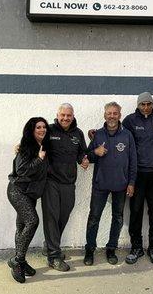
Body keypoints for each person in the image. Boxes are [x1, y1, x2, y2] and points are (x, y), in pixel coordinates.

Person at [83, 102, 137, 265]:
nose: (112, 116)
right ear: (104, 115)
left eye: (115, 113)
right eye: (109, 113)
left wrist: (131, 182)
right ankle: (89, 250)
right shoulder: (97, 135)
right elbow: (87, 157)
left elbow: (133, 161)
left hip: (121, 185)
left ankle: (111, 249)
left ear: (120, 115)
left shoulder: (127, 135)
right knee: (94, 217)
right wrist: (95, 152)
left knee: (118, 218)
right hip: (101, 184)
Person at [122, 92, 153, 265]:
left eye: (148, 104)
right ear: (138, 105)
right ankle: (136, 247)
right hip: (137, 174)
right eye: (142, 104)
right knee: (135, 211)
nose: (145, 107)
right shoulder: (129, 120)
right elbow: (117, 134)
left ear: (152, 104)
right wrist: (95, 133)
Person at [42, 103, 89, 272]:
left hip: (69, 182)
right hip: (51, 182)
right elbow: (34, 143)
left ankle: (50, 246)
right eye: (63, 115)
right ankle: (53, 256)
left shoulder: (78, 133)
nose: (65, 118)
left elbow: (82, 153)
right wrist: (21, 146)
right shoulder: (49, 130)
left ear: (73, 115)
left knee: (63, 216)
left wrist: (84, 159)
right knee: (51, 218)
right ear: (57, 114)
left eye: (68, 115)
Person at [7, 117, 49, 283]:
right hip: (18, 191)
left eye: (44, 127)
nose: (42, 130)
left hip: (30, 192)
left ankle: (20, 262)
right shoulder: (26, 146)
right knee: (32, 221)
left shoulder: (44, 145)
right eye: (38, 127)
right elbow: (22, 170)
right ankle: (17, 261)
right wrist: (39, 159)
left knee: (22, 225)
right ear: (31, 130)